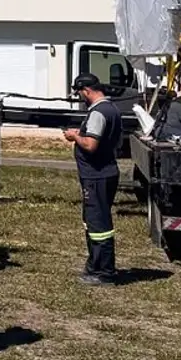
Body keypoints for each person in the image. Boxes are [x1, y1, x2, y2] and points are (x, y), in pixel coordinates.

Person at [63, 73, 123, 285]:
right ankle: (95, 266)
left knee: (99, 226)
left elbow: (90, 145)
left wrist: (75, 136)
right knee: (96, 221)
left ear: (86, 91)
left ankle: (104, 272)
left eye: (80, 93)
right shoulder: (112, 109)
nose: (80, 97)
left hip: (96, 176)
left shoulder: (98, 113)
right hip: (106, 172)